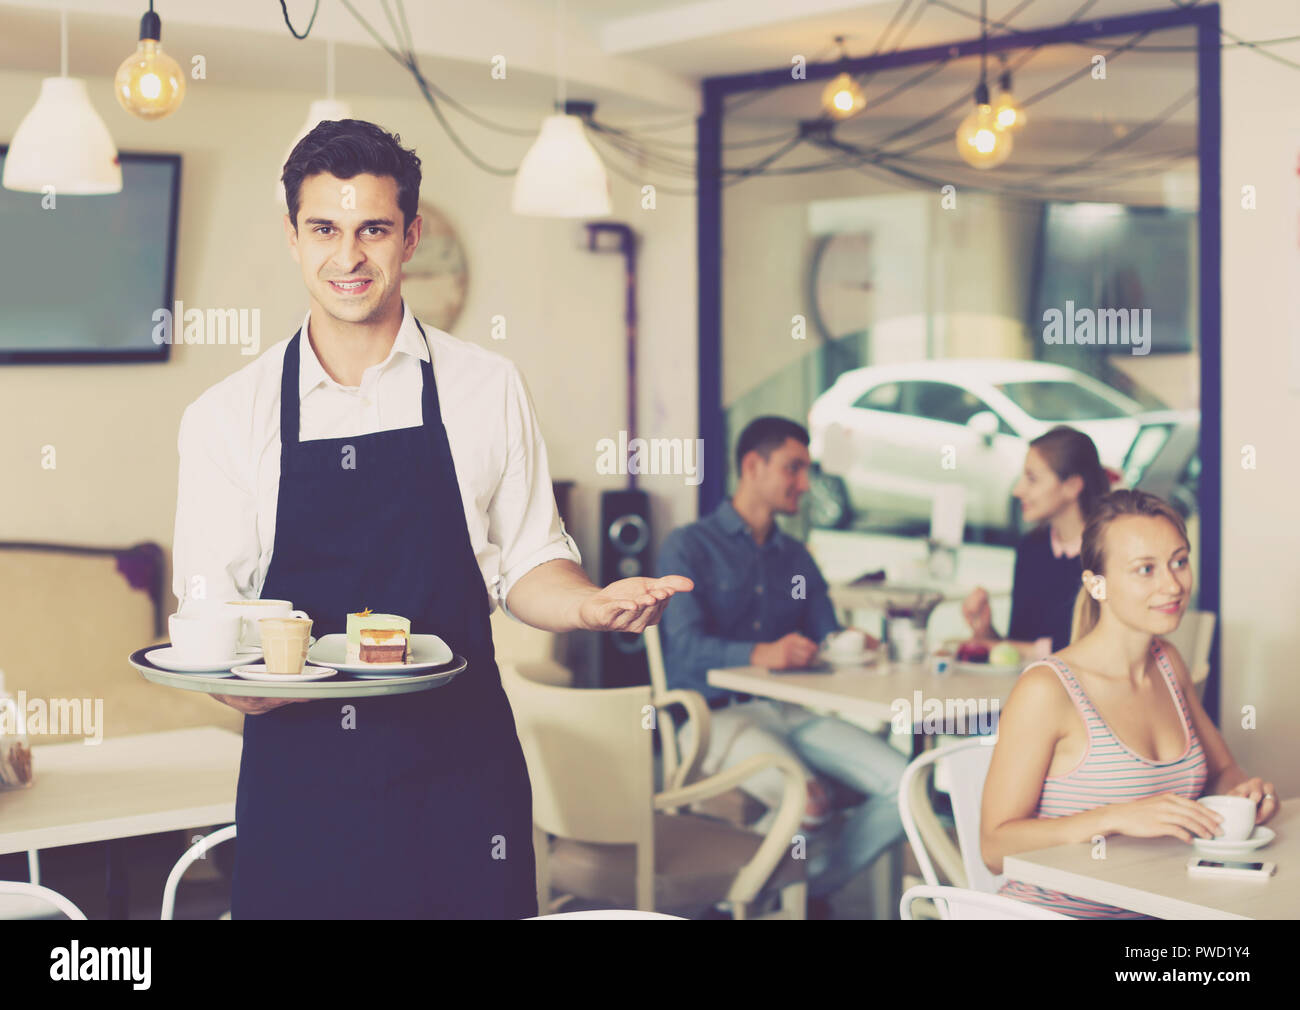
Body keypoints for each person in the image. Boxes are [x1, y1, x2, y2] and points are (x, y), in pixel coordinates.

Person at [171, 119, 691, 919]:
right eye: (325, 230)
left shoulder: (487, 387)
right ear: (292, 236)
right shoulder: (225, 417)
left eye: (372, 229)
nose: (348, 258)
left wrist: (588, 605)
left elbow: (526, 562)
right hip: (303, 787)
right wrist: (233, 684)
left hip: (461, 777)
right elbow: (211, 610)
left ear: (410, 236)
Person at [981, 489, 1279, 918]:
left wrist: (1242, 796)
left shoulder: (1168, 663)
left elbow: (1222, 771)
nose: (1173, 584)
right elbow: (994, 847)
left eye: (1179, 561)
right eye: (1146, 569)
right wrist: (1115, 817)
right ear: (1095, 584)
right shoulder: (1048, 690)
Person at [656, 416, 908, 907]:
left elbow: (826, 635)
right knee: (811, 806)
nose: (805, 483)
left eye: (806, 470)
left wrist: (850, 643)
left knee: (906, 786)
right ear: (753, 465)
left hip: (792, 711)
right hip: (714, 716)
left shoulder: (797, 557)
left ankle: (802, 892)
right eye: (794, 468)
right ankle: (742, 902)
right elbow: (683, 646)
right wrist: (759, 654)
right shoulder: (688, 546)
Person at [962, 426, 1112, 659]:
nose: (1017, 490)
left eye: (1032, 479)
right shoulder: (1031, 548)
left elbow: (1094, 652)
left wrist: (1009, 648)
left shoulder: (1106, 555)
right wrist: (986, 632)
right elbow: (1018, 648)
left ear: (1072, 486)